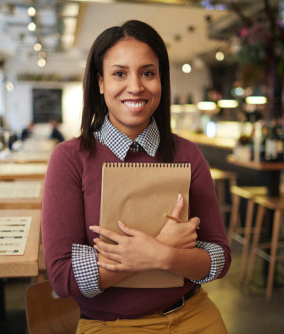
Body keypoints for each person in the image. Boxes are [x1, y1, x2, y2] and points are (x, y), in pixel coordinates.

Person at [41, 20, 231, 334]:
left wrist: (162, 256)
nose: (136, 86)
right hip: (111, 324)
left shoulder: (188, 154)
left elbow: (219, 259)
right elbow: (63, 278)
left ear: (161, 80)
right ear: (100, 83)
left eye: (147, 72)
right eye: (119, 73)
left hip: (193, 315)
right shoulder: (70, 158)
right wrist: (158, 251)